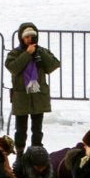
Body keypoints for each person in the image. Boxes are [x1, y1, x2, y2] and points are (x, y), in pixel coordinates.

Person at [5, 22, 60, 154]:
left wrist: (39, 53)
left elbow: (53, 65)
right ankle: (20, 154)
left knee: (37, 129)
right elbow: (13, 67)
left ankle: (36, 152)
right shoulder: (15, 53)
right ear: (21, 38)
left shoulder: (41, 51)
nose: (30, 39)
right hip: (21, 96)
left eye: (32, 36)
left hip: (38, 96)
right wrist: (27, 54)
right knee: (20, 129)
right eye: (27, 37)